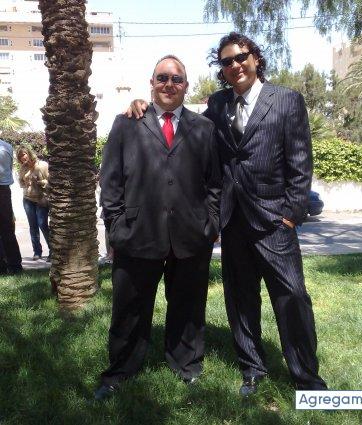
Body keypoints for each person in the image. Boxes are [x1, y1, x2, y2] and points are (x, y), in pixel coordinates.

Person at [127, 32, 327, 396]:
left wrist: (292, 214)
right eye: (226, 62)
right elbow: (183, 122)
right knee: (241, 298)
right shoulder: (218, 104)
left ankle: (307, 378)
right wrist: (144, 105)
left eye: (241, 57)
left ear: (256, 58)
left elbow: (301, 161)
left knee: (293, 296)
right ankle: (252, 369)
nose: (235, 65)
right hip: (233, 220)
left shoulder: (286, 99)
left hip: (274, 220)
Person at [95, 55, 221, 401]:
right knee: (129, 308)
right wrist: (115, 225)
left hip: (190, 235)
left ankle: (186, 364)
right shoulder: (127, 123)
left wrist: (210, 223)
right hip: (137, 232)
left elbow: (214, 182)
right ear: (152, 83)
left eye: (176, 79)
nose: (169, 84)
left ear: (186, 86)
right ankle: (120, 370)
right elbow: (111, 180)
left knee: (188, 306)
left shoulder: (204, 128)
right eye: (162, 78)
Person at [16, 146, 50, 262]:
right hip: (27, 199)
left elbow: (50, 181)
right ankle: (37, 251)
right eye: (20, 156)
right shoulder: (23, 168)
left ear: (29, 153)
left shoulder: (42, 165)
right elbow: (20, 182)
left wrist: (39, 182)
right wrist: (25, 183)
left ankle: (53, 251)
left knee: (43, 225)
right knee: (33, 226)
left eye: (24, 154)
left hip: (41, 199)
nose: (22, 158)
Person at [0, 138, 22, 275]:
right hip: (4, 189)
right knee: (8, 229)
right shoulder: (7, 146)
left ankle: (3, 266)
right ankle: (15, 264)